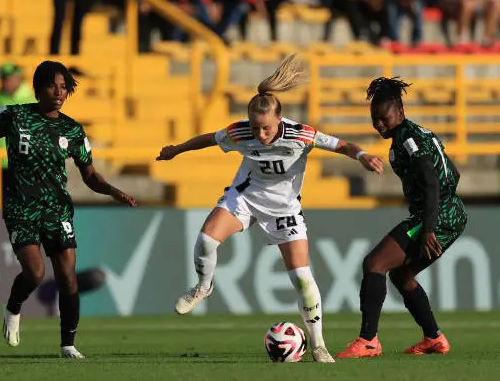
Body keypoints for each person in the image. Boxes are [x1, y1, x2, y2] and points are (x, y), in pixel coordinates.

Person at [156, 54, 384, 363]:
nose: (260, 135)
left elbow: (342, 145)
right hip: (246, 198)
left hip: (285, 209)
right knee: (206, 239)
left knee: (302, 278)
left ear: (279, 120)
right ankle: (203, 287)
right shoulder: (241, 133)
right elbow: (209, 139)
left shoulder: (301, 134)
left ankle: (318, 345)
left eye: (265, 128)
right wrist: (176, 150)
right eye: (255, 127)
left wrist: (363, 156)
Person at [0, 60, 137, 358]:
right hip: (21, 206)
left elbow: (90, 175)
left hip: (57, 209)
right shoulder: (15, 116)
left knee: (68, 278)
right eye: (52, 86)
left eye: (64, 87)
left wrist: (112, 190)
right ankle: (14, 306)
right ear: (37, 88)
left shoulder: (72, 130)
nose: (59, 92)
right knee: (34, 273)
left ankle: (68, 344)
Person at [336, 77, 467, 359]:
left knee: (374, 264)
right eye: (374, 119)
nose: (379, 124)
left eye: (383, 118)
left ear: (400, 112)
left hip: (436, 215)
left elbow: (432, 181)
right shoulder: (418, 133)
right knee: (402, 275)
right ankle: (434, 338)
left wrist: (429, 226)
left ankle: (368, 340)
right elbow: (453, 173)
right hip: (450, 212)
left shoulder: (407, 139)